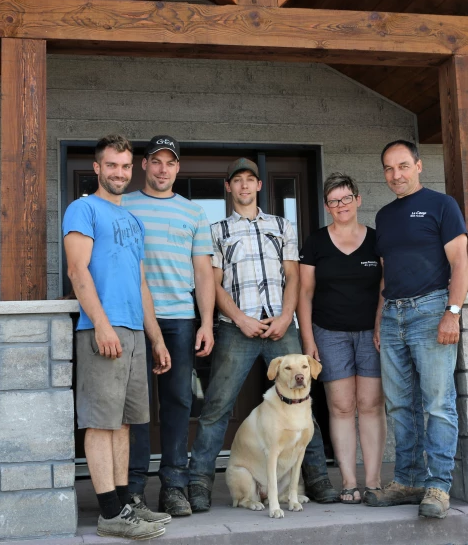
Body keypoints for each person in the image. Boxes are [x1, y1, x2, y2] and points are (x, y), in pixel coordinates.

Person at [187, 158, 340, 513]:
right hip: (236, 329)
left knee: (303, 404)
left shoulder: (281, 225)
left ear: (259, 186)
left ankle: (317, 479)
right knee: (216, 408)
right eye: (236, 180)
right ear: (228, 187)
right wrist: (239, 318)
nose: (243, 186)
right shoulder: (216, 231)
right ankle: (198, 484)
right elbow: (213, 282)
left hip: (280, 328)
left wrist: (287, 317)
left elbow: (294, 277)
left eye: (249, 180)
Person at [63, 134, 173, 540]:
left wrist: (156, 338)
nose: (119, 173)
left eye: (125, 166)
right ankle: (110, 513)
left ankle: (125, 504)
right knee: (100, 423)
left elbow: (140, 282)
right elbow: (78, 271)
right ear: (97, 168)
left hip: (133, 333)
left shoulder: (132, 219)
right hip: (101, 330)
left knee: (125, 423)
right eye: (112, 165)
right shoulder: (83, 209)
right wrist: (103, 325)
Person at [363, 140, 468, 519]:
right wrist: (380, 320)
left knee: (438, 404)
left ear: (419, 166)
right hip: (393, 316)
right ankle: (408, 481)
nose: (396, 175)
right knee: (400, 405)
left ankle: (438, 487)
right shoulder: (385, 217)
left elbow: (461, 264)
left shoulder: (443, 205)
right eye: (389, 169)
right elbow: (386, 274)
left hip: (431, 311)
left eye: (403, 166)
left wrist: (452, 312)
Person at [122, 135, 216, 517]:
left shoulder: (193, 214)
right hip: (132, 319)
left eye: (170, 162)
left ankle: (174, 486)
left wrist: (206, 322)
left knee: (178, 402)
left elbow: (204, 273)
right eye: (156, 161)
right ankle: (133, 488)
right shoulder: (122, 205)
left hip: (180, 318)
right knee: (137, 406)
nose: (163, 169)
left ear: (178, 168)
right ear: (144, 164)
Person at [297, 172, 386, 504]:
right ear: (326, 206)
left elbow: (384, 286)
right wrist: (308, 340)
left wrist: (379, 324)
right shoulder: (315, 243)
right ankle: (349, 482)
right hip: (329, 333)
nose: (341, 205)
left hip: (371, 334)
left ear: (358, 200)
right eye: (334, 201)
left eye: (346, 198)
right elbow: (304, 294)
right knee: (342, 406)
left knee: (371, 405)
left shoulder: (377, 240)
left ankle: (374, 481)